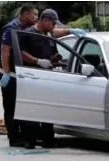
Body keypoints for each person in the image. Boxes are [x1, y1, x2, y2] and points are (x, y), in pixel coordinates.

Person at [19, 8, 86, 148]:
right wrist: (37, 61)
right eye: (52, 23)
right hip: (31, 76)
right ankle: (30, 140)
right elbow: (21, 52)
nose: (54, 27)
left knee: (47, 109)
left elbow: (54, 46)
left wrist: (56, 59)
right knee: (32, 109)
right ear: (45, 21)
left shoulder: (48, 34)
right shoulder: (28, 34)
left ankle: (48, 139)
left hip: (47, 77)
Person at [0, 3, 38, 147]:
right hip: (7, 71)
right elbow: (5, 51)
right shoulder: (11, 28)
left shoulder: (26, 28)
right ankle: (13, 137)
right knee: (11, 104)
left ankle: (21, 135)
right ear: (26, 14)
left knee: (19, 103)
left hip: (18, 72)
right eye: (35, 14)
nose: (36, 17)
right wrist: (6, 73)